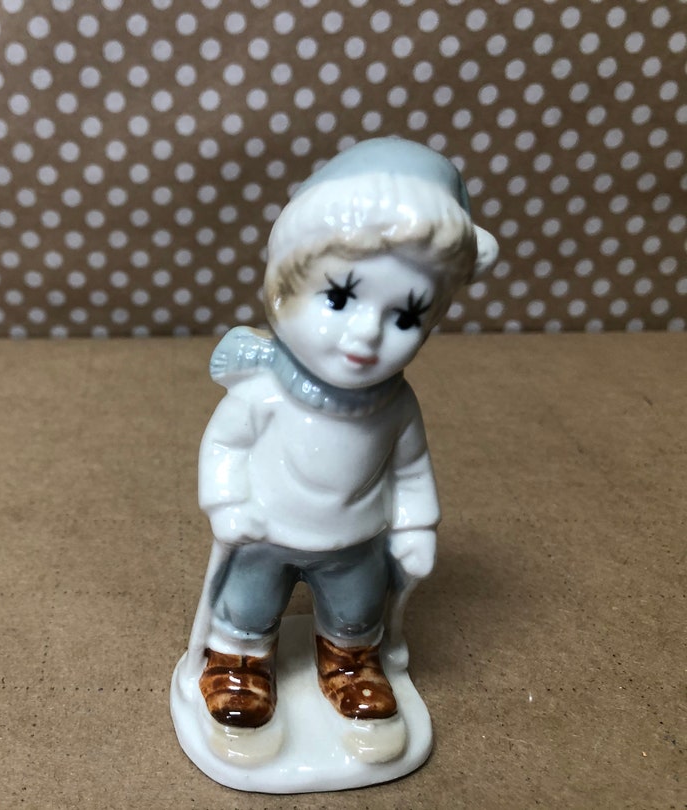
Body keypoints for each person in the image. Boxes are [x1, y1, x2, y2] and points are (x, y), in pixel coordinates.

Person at [191, 137, 500, 732]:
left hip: (355, 540)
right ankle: (238, 665)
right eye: (339, 297)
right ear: (284, 287)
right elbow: (225, 445)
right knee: (248, 605)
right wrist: (227, 503)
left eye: (404, 316)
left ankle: (350, 665)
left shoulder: (395, 405)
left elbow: (411, 468)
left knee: (357, 609)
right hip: (265, 533)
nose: (366, 337)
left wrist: (415, 525)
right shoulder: (263, 391)